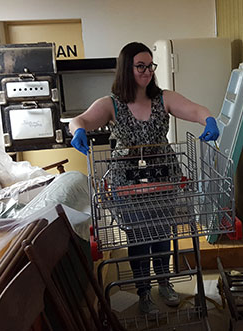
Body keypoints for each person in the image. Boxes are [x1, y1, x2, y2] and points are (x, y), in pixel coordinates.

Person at [69, 41, 219, 315]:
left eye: (150, 66)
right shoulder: (111, 104)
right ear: (127, 68)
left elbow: (196, 110)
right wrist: (77, 131)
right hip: (127, 185)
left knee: (161, 232)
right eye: (141, 66)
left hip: (163, 178)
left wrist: (208, 119)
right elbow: (79, 120)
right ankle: (143, 293)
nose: (147, 71)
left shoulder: (164, 98)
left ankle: (164, 283)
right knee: (138, 238)